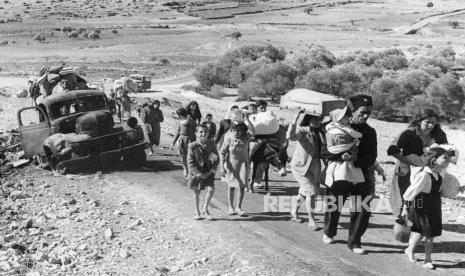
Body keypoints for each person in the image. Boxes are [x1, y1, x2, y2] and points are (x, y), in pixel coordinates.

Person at [322, 94, 377, 255]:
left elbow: (371, 156)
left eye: (369, 113)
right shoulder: (334, 127)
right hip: (339, 173)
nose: (365, 116)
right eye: (362, 112)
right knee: (334, 204)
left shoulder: (370, 132)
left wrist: (356, 158)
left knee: (362, 208)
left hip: (361, 173)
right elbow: (325, 151)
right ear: (352, 111)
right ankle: (329, 232)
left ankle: (354, 241)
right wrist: (340, 156)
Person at [387, 109, 447, 217]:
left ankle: (417, 221)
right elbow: (392, 150)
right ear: (419, 121)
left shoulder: (439, 134)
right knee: (403, 195)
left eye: (433, 122)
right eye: (427, 122)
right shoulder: (409, 133)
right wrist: (410, 163)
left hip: (426, 170)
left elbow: (446, 151)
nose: (430, 125)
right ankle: (401, 219)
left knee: (421, 196)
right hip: (406, 167)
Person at [402, 147, 451, 270]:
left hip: (434, 207)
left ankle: (409, 249)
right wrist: (405, 210)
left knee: (420, 230)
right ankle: (428, 259)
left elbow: (443, 190)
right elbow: (409, 193)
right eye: (445, 157)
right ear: (434, 160)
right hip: (422, 207)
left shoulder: (439, 174)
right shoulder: (424, 175)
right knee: (429, 233)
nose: (448, 160)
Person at [288, 110, 325, 231]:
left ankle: (294, 212)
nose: (317, 121)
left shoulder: (321, 132)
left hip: (315, 165)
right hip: (300, 166)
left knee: (305, 191)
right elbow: (290, 136)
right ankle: (312, 220)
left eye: (319, 119)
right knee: (311, 192)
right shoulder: (302, 130)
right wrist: (294, 120)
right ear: (309, 119)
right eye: (314, 118)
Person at [220, 115, 255, 217]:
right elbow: (222, 152)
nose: (236, 132)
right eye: (234, 130)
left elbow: (253, 131)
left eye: (238, 131)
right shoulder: (229, 138)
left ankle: (238, 207)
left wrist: (247, 119)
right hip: (231, 164)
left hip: (243, 164)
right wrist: (222, 167)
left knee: (241, 186)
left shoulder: (246, 137)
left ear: (243, 131)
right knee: (231, 186)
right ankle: (231, 207)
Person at [324, 105, 365, 187]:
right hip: (341, 162)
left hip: (337, 161)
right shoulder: (346, 129)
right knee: (342, 179)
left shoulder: (329, 129)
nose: (348, 119)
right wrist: (360, 135)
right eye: (345, 118)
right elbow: (357, 135)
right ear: (339, 119)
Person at [187, 124, 220, 220]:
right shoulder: (192, 146)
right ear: (196, 133)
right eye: (201, 132)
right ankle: (197, 211)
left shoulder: (211, 144)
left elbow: (216, 159)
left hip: (209, 170)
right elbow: (190, 161)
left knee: (211, 189)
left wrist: (211, 171)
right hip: (197, 173)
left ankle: (205, 208)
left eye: (205, 131)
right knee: (197, 192)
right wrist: (198, 174)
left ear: (208, 133)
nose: (203, 134)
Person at [172, 108, 197, 178]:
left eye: (179, 115)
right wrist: (173, 142)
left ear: (181, 114)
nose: (178, 116)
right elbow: (178, 132)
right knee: (183, 156)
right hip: (181, 141)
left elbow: (197, 131)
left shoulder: (192, 122)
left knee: (190, 157)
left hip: (190, 141)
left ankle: (191, 171)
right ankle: (185, 169)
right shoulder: (180, 122)